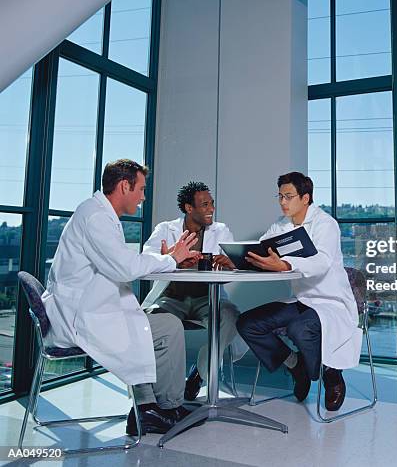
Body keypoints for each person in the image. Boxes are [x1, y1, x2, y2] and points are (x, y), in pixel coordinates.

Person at [42, 159, 200, 435]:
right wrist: (171, 259)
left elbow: (123, 262)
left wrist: (167, 258)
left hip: (86, 309)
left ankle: (149, 407)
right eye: (140, 189)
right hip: (81, 318)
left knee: (147, 322)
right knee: (168, 327)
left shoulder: (97, 213)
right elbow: (126, 267)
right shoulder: (97, 218)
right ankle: (165, 408)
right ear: (124, 186)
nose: (143, 196)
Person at [235, 172, 361, 411]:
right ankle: (296, 366)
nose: (283, 202)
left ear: (305, 198)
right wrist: (238, 259)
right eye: (280, 196)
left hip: (329, 301)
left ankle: (331, 373)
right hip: (302, 300)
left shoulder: (326, 224)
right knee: (247, 323)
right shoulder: (281, 225)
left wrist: (284, 265)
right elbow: (262, 249)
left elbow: (321, 262)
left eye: (289, 196)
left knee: (299, 329)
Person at [141, 181, 244, 401]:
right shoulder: (165, 229)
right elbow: (147, 258)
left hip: (206, 298)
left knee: (231, 316)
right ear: (189, 208)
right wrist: (170, 259)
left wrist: (230, 265)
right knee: (149, 324)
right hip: (171, 297)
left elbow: (235, 264)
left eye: (212, 203)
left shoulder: (221, 230)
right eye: (204, 204)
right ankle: (156, 397)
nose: (211, 209)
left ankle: (200, 373)